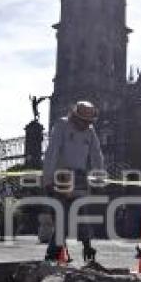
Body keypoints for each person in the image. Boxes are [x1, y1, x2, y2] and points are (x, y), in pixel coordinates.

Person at [42, 100, 105, 262]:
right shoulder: (62, 125)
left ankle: (86, 245)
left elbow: (97, 155)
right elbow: (52, 152)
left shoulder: (90, 132)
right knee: (62, 216)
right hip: (61, 175)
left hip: (80, 176)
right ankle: (53, 254)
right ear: (74, 116)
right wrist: (48, 179)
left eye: (88, 122)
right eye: (83, 121)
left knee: (81, 212)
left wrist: (99, 179)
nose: (85, 125)